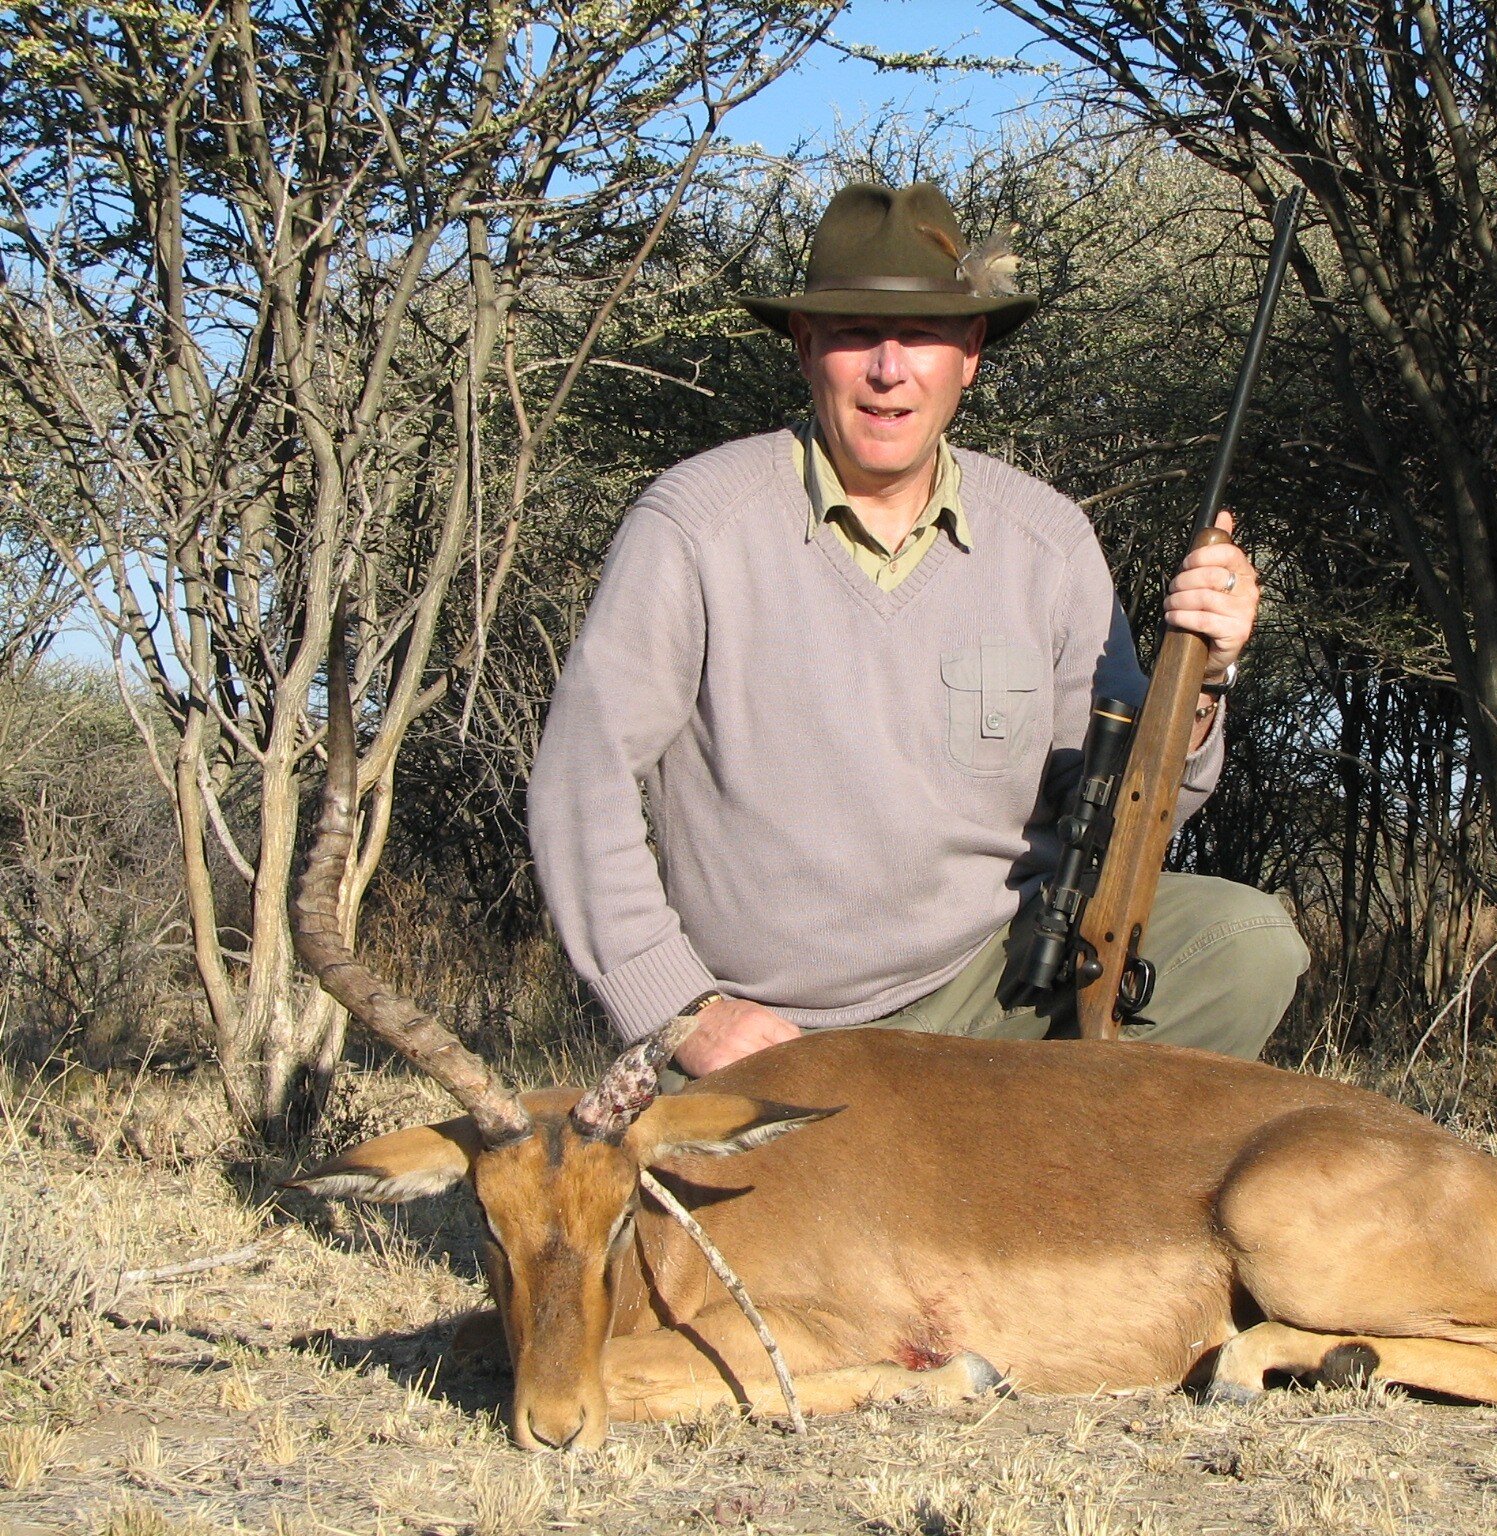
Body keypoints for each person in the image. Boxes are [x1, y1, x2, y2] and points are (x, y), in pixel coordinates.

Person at [527, 181, 1310, 1079]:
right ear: (806, 347)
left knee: (1248, 946)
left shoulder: (1046, 538)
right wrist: (682, 1010)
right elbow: (578, 782)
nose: (889, 368)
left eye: (925, 337)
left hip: (994, 986)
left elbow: (1129, 800)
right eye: (856, 334)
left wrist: (1207, 671)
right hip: (776, 1032)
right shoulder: (694, 522)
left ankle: (1047, 1185)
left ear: (970, 354)